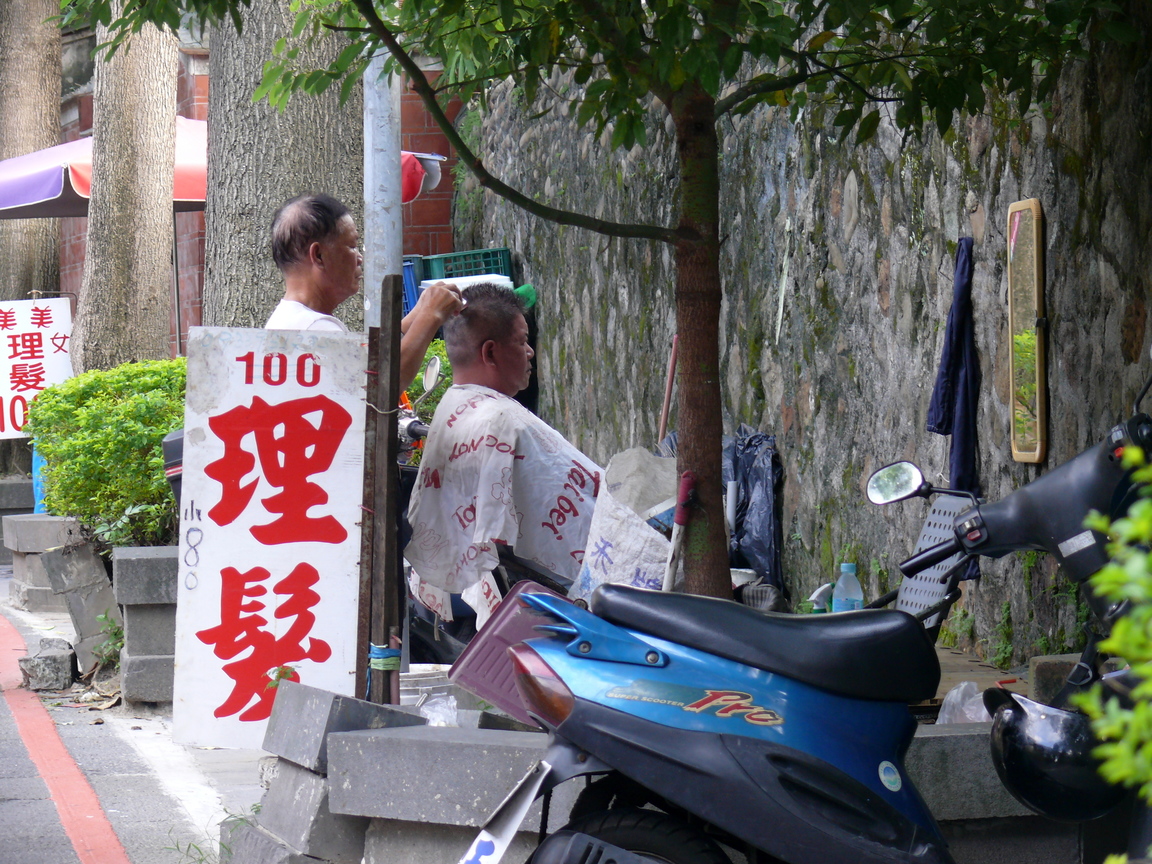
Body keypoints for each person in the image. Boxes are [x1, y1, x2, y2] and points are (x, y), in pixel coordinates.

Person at [265, 192, 463, 391]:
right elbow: (379, 389)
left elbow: (370, 363)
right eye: (352, 246)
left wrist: (416, 316)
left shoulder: (291, 320)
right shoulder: (315, 330)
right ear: (318, 255)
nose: (359, 258)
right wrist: (431, 316)